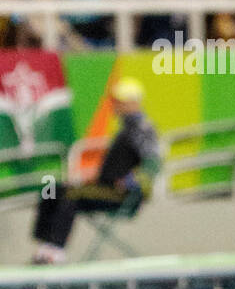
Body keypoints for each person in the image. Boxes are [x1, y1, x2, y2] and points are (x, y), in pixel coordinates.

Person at [31, 77, 158, 264]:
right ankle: (45, 244)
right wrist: (92, 177)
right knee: (51, 188)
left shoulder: (142, 129)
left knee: (70, 196)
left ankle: (55, 251)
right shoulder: (126, 128)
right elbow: (117, 166)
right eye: (116, 100)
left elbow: (153, 163)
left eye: (121, 101)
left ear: (134, 103)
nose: (116, 105)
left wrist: (130, 182)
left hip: (122, 194)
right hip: (105, 187)